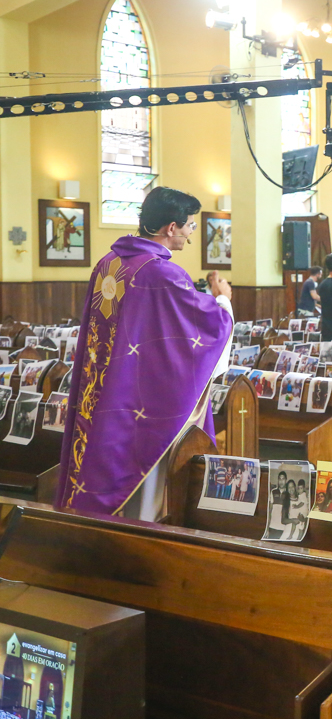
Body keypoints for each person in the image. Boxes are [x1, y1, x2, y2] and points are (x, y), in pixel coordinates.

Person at [57, 187, 234, 518]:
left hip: (103, 389)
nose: (191, 235)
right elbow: (206, 330)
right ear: (171, 228)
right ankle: (138, 542)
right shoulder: (161, 273)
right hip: (139, 398)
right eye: (190, 227)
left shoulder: (109, 263)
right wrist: (222, 300)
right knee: (144, 483)